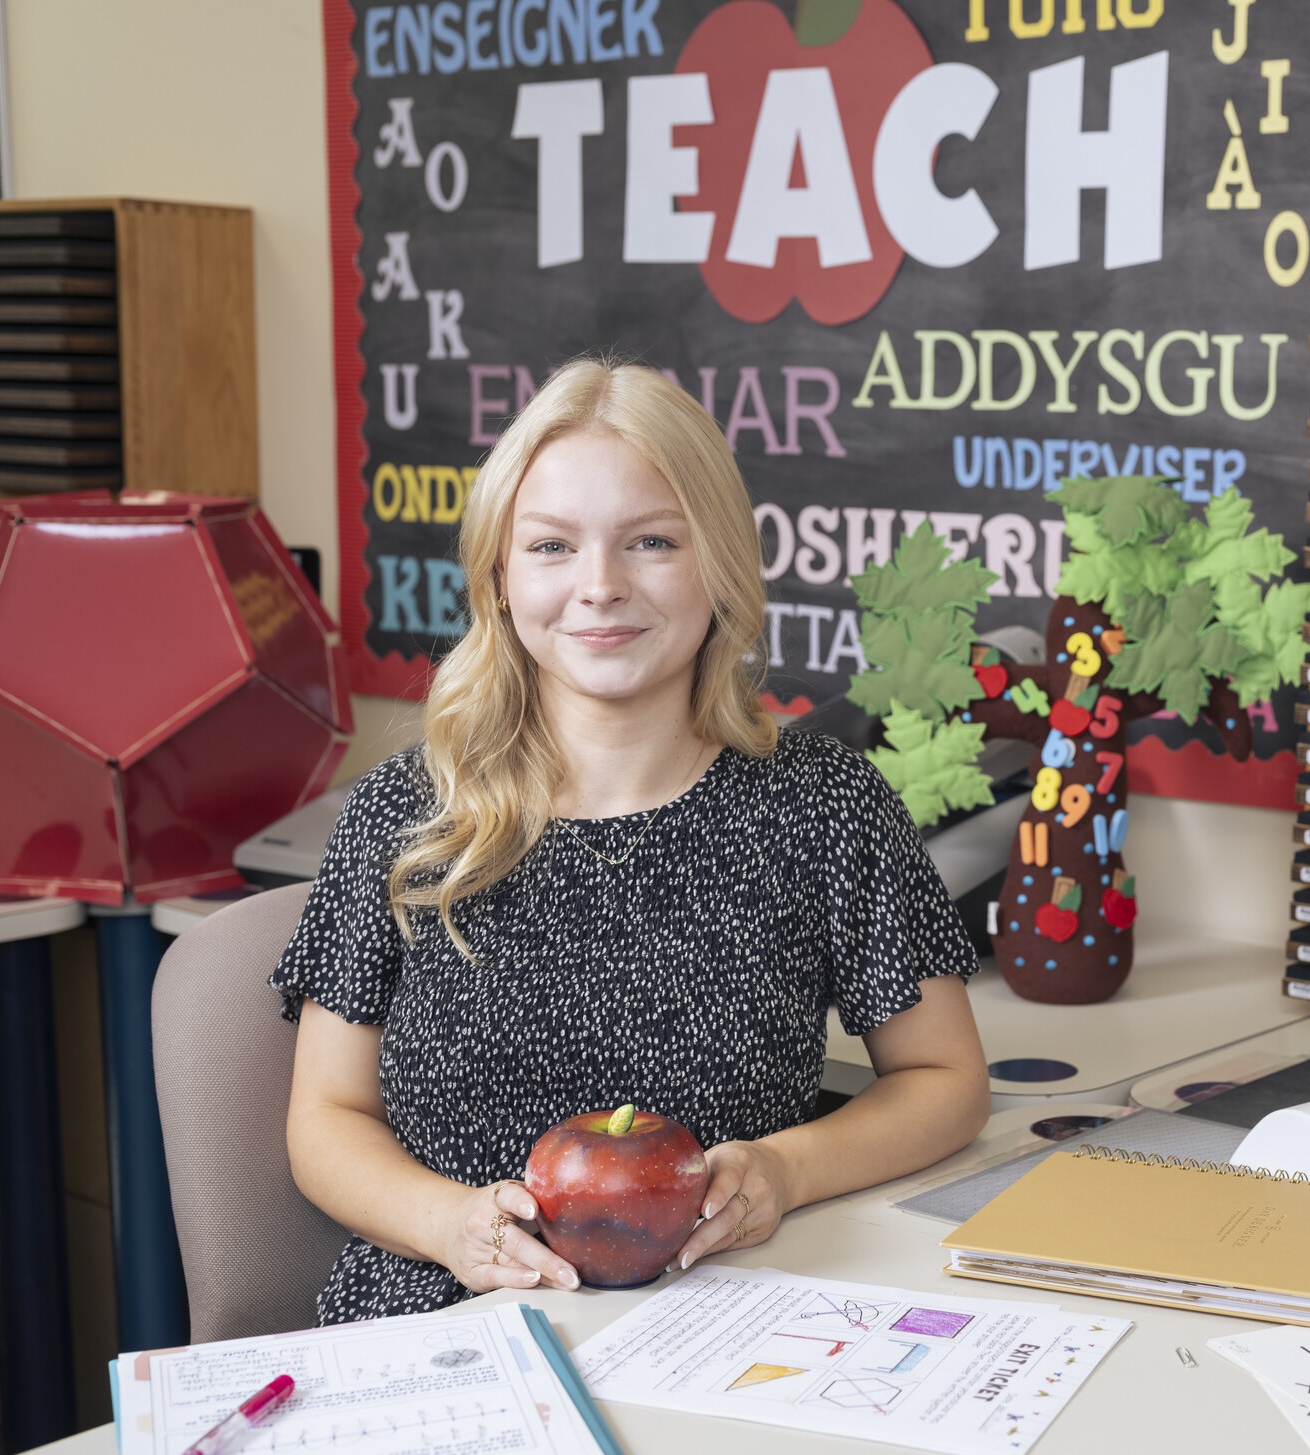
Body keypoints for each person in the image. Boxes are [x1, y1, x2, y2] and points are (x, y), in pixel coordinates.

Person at [274, 358, 990, 1324]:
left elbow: (946, 1081)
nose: (600, 586)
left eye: (651, 540)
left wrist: (786, 1166)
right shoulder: (408, 818)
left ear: (721, 561)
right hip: (447, 1321)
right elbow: (326, 1120)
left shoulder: (822, 803)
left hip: (726, 1318)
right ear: (500, 572)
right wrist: (447, 1223)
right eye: (553, 546)